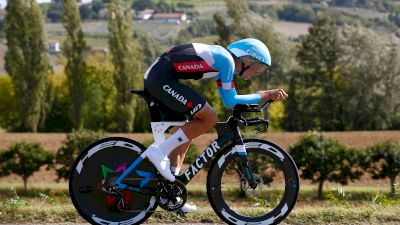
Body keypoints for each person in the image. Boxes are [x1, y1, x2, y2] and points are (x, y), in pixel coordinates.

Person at [142, 38, 288, 213]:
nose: (259, 72)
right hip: (161, 79)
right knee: (209, 118)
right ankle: (158, 152)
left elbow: (229, 99)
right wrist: (263, 95)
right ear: (247, 59)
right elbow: (231, 101)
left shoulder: (222, 62)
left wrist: (260, 96)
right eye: (259, 67)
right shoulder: (226, 61)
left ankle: (171, 192)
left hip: (160, 77)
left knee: (186, 132)